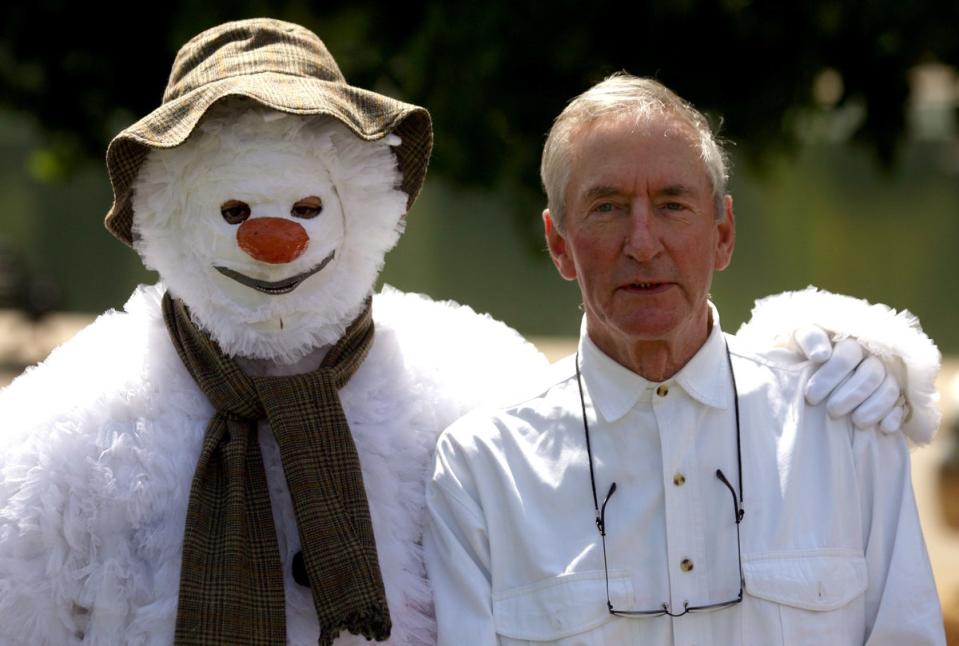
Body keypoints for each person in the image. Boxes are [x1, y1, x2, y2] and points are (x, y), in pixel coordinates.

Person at [424, 73, 945, 645]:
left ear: (723, 233)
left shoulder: (845, 426)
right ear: (558, 244)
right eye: (608, 207)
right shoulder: (483, 469)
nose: (643, 243)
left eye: (672, 204)